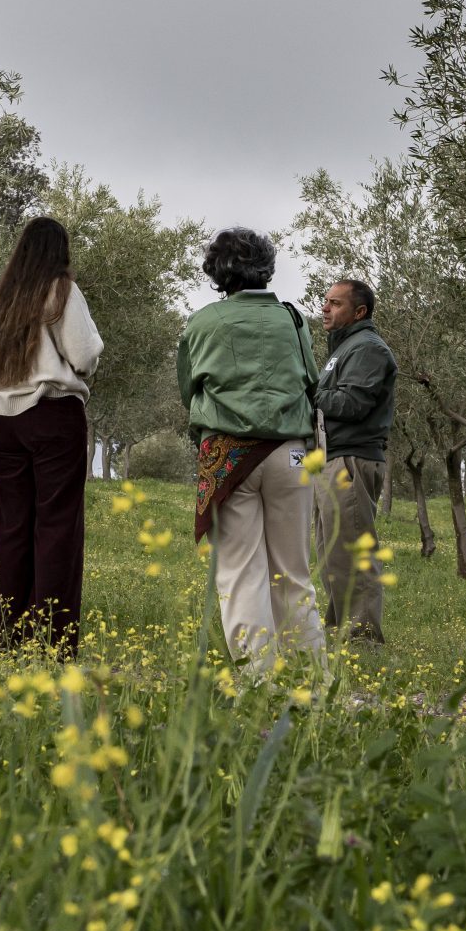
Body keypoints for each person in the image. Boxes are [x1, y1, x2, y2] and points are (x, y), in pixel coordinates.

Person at [176, 227, 324, 680]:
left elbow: (188, 389)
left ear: (217, 274)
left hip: (229, 459)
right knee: (294, 573)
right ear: (266, 268)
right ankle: (312, 682)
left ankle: (257, 683)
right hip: (290, 454)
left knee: (241, 574)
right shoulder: (293, 319)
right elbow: (312, 380)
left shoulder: (202, 322)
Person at [0, 217, 103, 656]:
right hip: (53, 416)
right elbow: (84, 355)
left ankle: (11, 637)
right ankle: (52, 641)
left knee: (12, 528)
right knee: (57, 528)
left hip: (3, 424)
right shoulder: (61, 291)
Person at [311, 276, 398, 641]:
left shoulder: (367, 349)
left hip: (351, 460)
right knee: (333, 556)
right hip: (332, 459)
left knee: (352, 553)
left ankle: (362, 641)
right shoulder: (343, 349)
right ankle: (341, 634)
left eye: (336, 303)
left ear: (359, 311)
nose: (325, 308)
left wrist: (308, 396)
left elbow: (352, 404)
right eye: (326, 301)